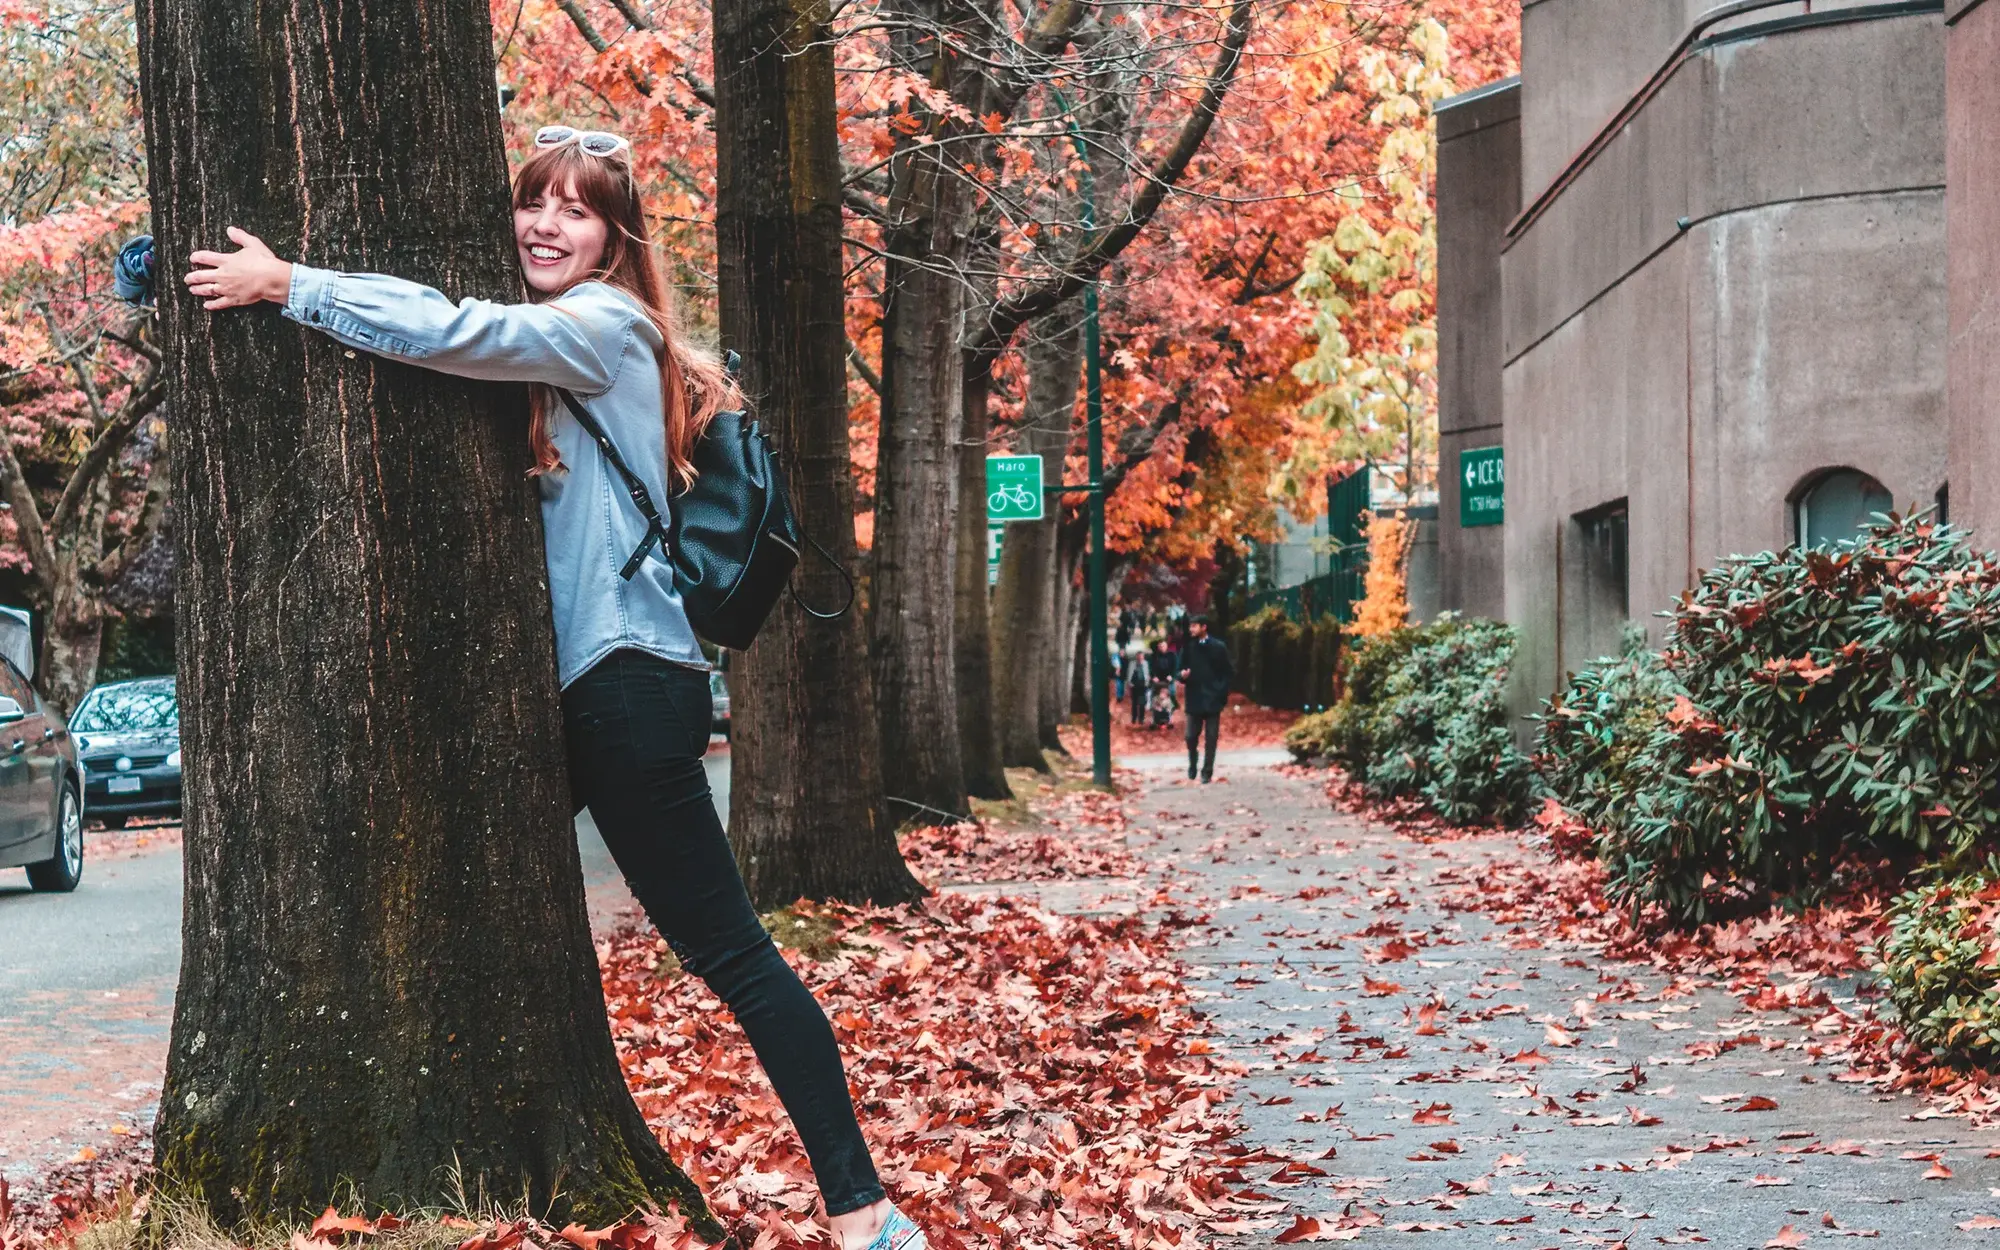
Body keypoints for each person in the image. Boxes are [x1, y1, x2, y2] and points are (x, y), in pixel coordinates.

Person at [182, 125, 927, 1250]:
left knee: (732, 954)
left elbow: (457, 328)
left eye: (577, 211)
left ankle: (865, 1210)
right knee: (462, 883)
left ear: (616, 242)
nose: (545, 223)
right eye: (533, 202)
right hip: (605, 685)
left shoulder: (605, 328)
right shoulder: (577, 344)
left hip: (628, 690)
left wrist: (291, 283)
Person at [1178, 615, 1234, 782]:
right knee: (1190, 736)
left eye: (1194, 626)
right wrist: (1182, 675)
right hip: (1194, 697)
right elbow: (1179, 669)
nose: (1191, 630)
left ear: (1204, 627)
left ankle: (1207, 771)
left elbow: (1227, 672)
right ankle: (1193, 763)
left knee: (1211, 737)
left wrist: (1221, 692)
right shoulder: (1188, 647)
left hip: (1212, 699)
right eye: (1190, 626)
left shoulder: (1218, 647)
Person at [1124, 643, 1151, 726]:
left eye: (1141, 656)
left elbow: (1148, 674)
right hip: (1134, 685)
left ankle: (1141, 719)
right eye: (1138, 656)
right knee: (1134, 703)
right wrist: (1129, 684)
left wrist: (1148, 682)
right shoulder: (1132, 664)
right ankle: (1134, 718)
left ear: (1143, 657)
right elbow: (1129, 674)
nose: (1140, 658)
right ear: (1136, 657)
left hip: (1143, 685)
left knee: (1142, 703)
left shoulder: (1146, 663)